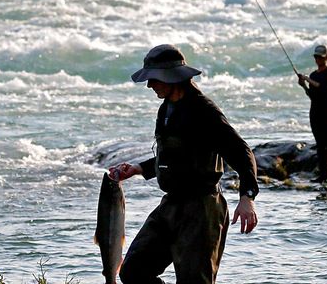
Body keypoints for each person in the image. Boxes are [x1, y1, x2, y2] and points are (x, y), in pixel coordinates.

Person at [109, 44, 260, 284]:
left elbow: (241, 152)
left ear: (172, 77)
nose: (149, 85)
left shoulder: (204, 111)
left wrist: (247, 197)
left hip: (202, 209)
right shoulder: (166, 109)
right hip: (171, 206)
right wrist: (139, 169)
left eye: (154, 78)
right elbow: (172, 156)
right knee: (132, 271)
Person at [296, 44, 327, 184]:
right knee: (320, 145)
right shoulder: (314, 75)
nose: (318, 59)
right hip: (315, 113)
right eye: (316, 57)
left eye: (320, 57)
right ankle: (323, 175)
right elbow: (313, 95)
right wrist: (303, 85)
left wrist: (308, 79)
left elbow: (326, 90)